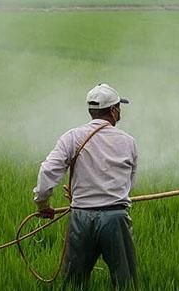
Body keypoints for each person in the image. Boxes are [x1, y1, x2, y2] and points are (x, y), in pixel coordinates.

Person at [32, 83, 138, 290]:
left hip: (81, 218)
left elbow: (47, 171)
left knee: (74, 283)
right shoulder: (128, 142)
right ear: (114, 110)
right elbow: (128, 184)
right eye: (119, 107)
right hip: (115, 218)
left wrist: (42, 204)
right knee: (125, 282)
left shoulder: (72, 137)